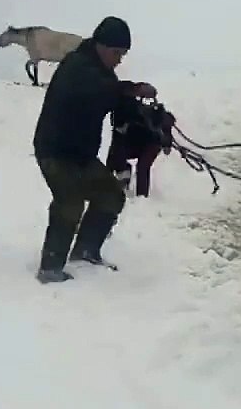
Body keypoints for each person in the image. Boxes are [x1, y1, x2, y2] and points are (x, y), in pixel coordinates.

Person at [31, 16, 158, 283]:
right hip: (55, 151)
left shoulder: (102, 73)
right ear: (100, 45)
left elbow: (113, 99)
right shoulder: (77, 66)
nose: (119, 59)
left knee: (111, 195)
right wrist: (132, 89)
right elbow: (100, 92)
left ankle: (86, 251)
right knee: (70, 201)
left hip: (81, 155)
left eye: (123, 54)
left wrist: (142, 111)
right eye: (117, 52)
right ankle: (50, 268)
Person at [107, 96, 176, 198]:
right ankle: (122, 184)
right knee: (117, 156)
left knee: (143, 166)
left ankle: (142, 197)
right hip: (134, 143)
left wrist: (167, 143)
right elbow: (114, 150)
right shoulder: (119, 117)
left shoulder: (147, 113)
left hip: (152, 143)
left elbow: (166, 123)